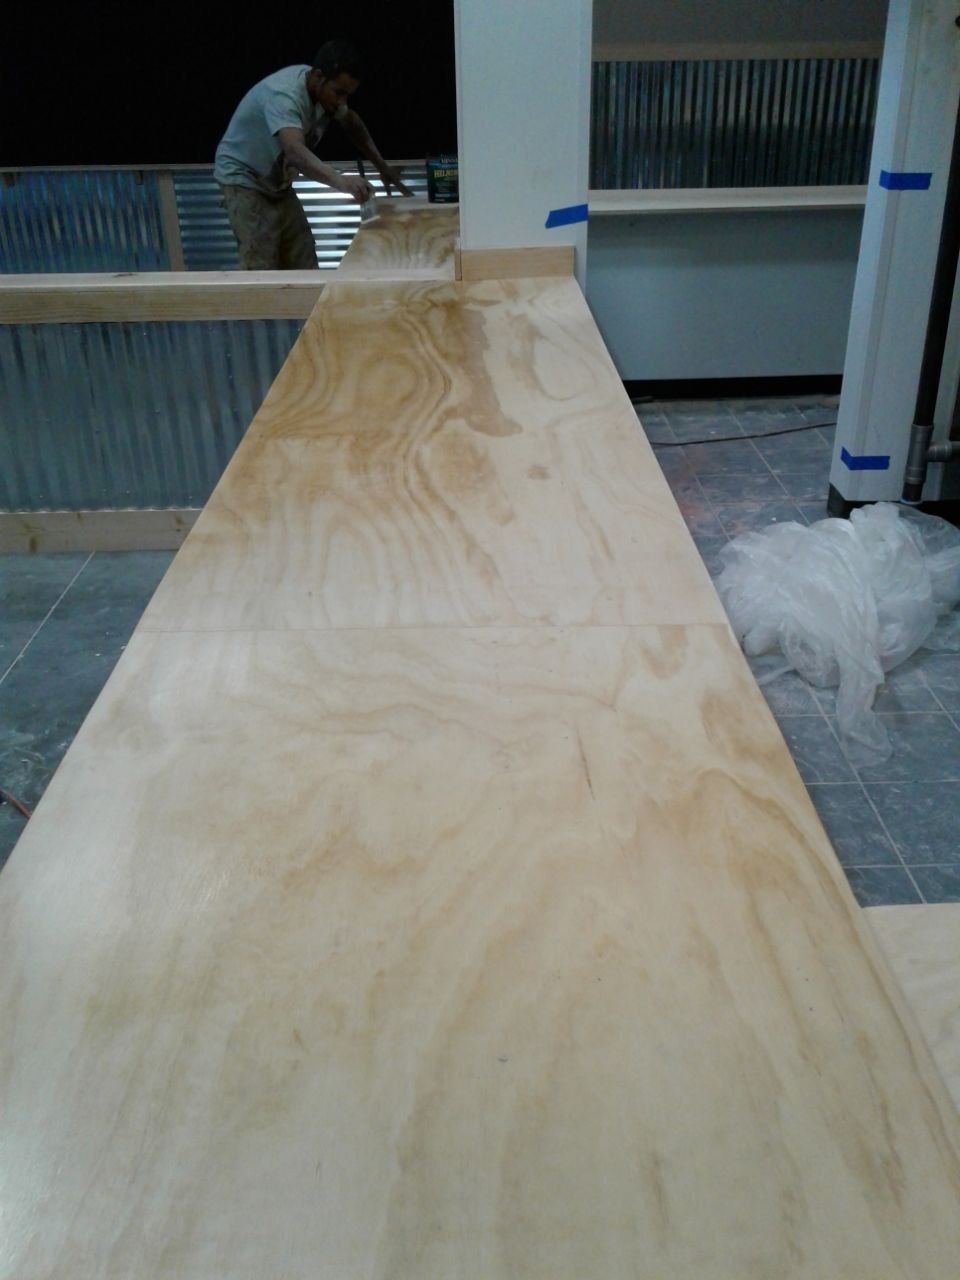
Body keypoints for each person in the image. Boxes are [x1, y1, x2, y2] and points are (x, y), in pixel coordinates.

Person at [214, 40, 412, 269]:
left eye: (348, 95)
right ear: (318, 76)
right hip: (244, 178)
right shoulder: (285, 96)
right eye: (339, 92)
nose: (342, 101)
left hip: (278, 183)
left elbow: (352, 124)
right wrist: (342, 181)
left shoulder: (325, 96)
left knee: (303, 258)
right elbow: (295, 151)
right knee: (261, 265)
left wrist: (381, 166)